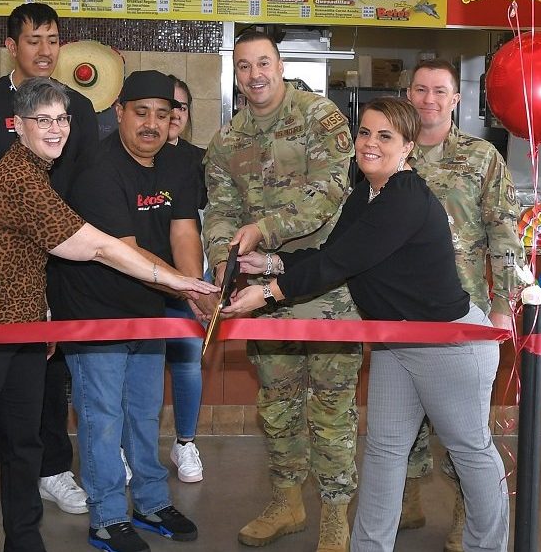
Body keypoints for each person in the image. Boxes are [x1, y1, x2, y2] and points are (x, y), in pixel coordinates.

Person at [0, 77, 216, 552]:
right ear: (18, 126)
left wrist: (47, 313)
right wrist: (178, 281)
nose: (54, 129)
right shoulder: (19, 178)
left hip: (28, 328)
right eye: (42, 120)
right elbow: (97, 247)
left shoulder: (40, 172)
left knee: (24, 444)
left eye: (61, 119)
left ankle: (24, 541)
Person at [223, 97, 511, 552]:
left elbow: (340, 262)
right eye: (364, 133)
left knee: (471, 451)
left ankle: (486, 547)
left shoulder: (406, 198)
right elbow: (329, 252)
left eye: (385, 136)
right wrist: (272, 260)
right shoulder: (368, 193)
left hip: (450, 347)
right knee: (383, 452)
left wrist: (268, 293)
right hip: (397, 343)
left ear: (408, 147)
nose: (369, 144)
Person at [202, 29, 357, 552]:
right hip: (262, 290)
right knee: (278, 401)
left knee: (332, 407)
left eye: (263, 62)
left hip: (326, 288)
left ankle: (335, 515)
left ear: (279, 63)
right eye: (244, 67)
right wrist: (227, 255)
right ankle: (287, 501)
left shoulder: (321, 117)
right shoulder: (226, 141)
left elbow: (330, 192)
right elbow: (220, 210)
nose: (255, 75)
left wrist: (264, 229)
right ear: (236, 73)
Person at [0, 3, 98, 519]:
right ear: (12, 46)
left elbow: (84, 198)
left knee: (49, 378)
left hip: (62, 265)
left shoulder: (76, 108)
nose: (45, 50)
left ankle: (53, 469)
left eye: (53, 39)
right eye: (34, 40)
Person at [49, 70, 206, 551]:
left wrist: (195, 288)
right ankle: (107, 516)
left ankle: (153, 502)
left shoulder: (177, 165)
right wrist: (189, 291)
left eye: (163, 115)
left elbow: (183, 232)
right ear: (118, 112)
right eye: (141, 113)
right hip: (95, 309)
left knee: (143, 410)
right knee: (102, 415)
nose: (152, 125)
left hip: (149, 307)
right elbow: (128, 251)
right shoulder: (97, 168)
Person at [402, 58, 524, 550]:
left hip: (463, 312)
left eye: (440, 91)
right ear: (408, 94)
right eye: (420, 89)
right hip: (397, 310)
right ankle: (406, 501)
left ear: (456, 99)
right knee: (402, 418)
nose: (428, 99)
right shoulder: (388, 149)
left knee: (464, 425)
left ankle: (467, 511)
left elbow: (505, 233)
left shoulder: (481, 157)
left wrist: (502, 304)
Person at [163, 77, 205, 484]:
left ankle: (186, 442)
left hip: (190, 277)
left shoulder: (201, 160)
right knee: (132, 363)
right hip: (137, 278)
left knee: (188, 360)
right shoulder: (132, 154)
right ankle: (127, 447)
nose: (173, 114)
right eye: (166, 105)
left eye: (181, 107)